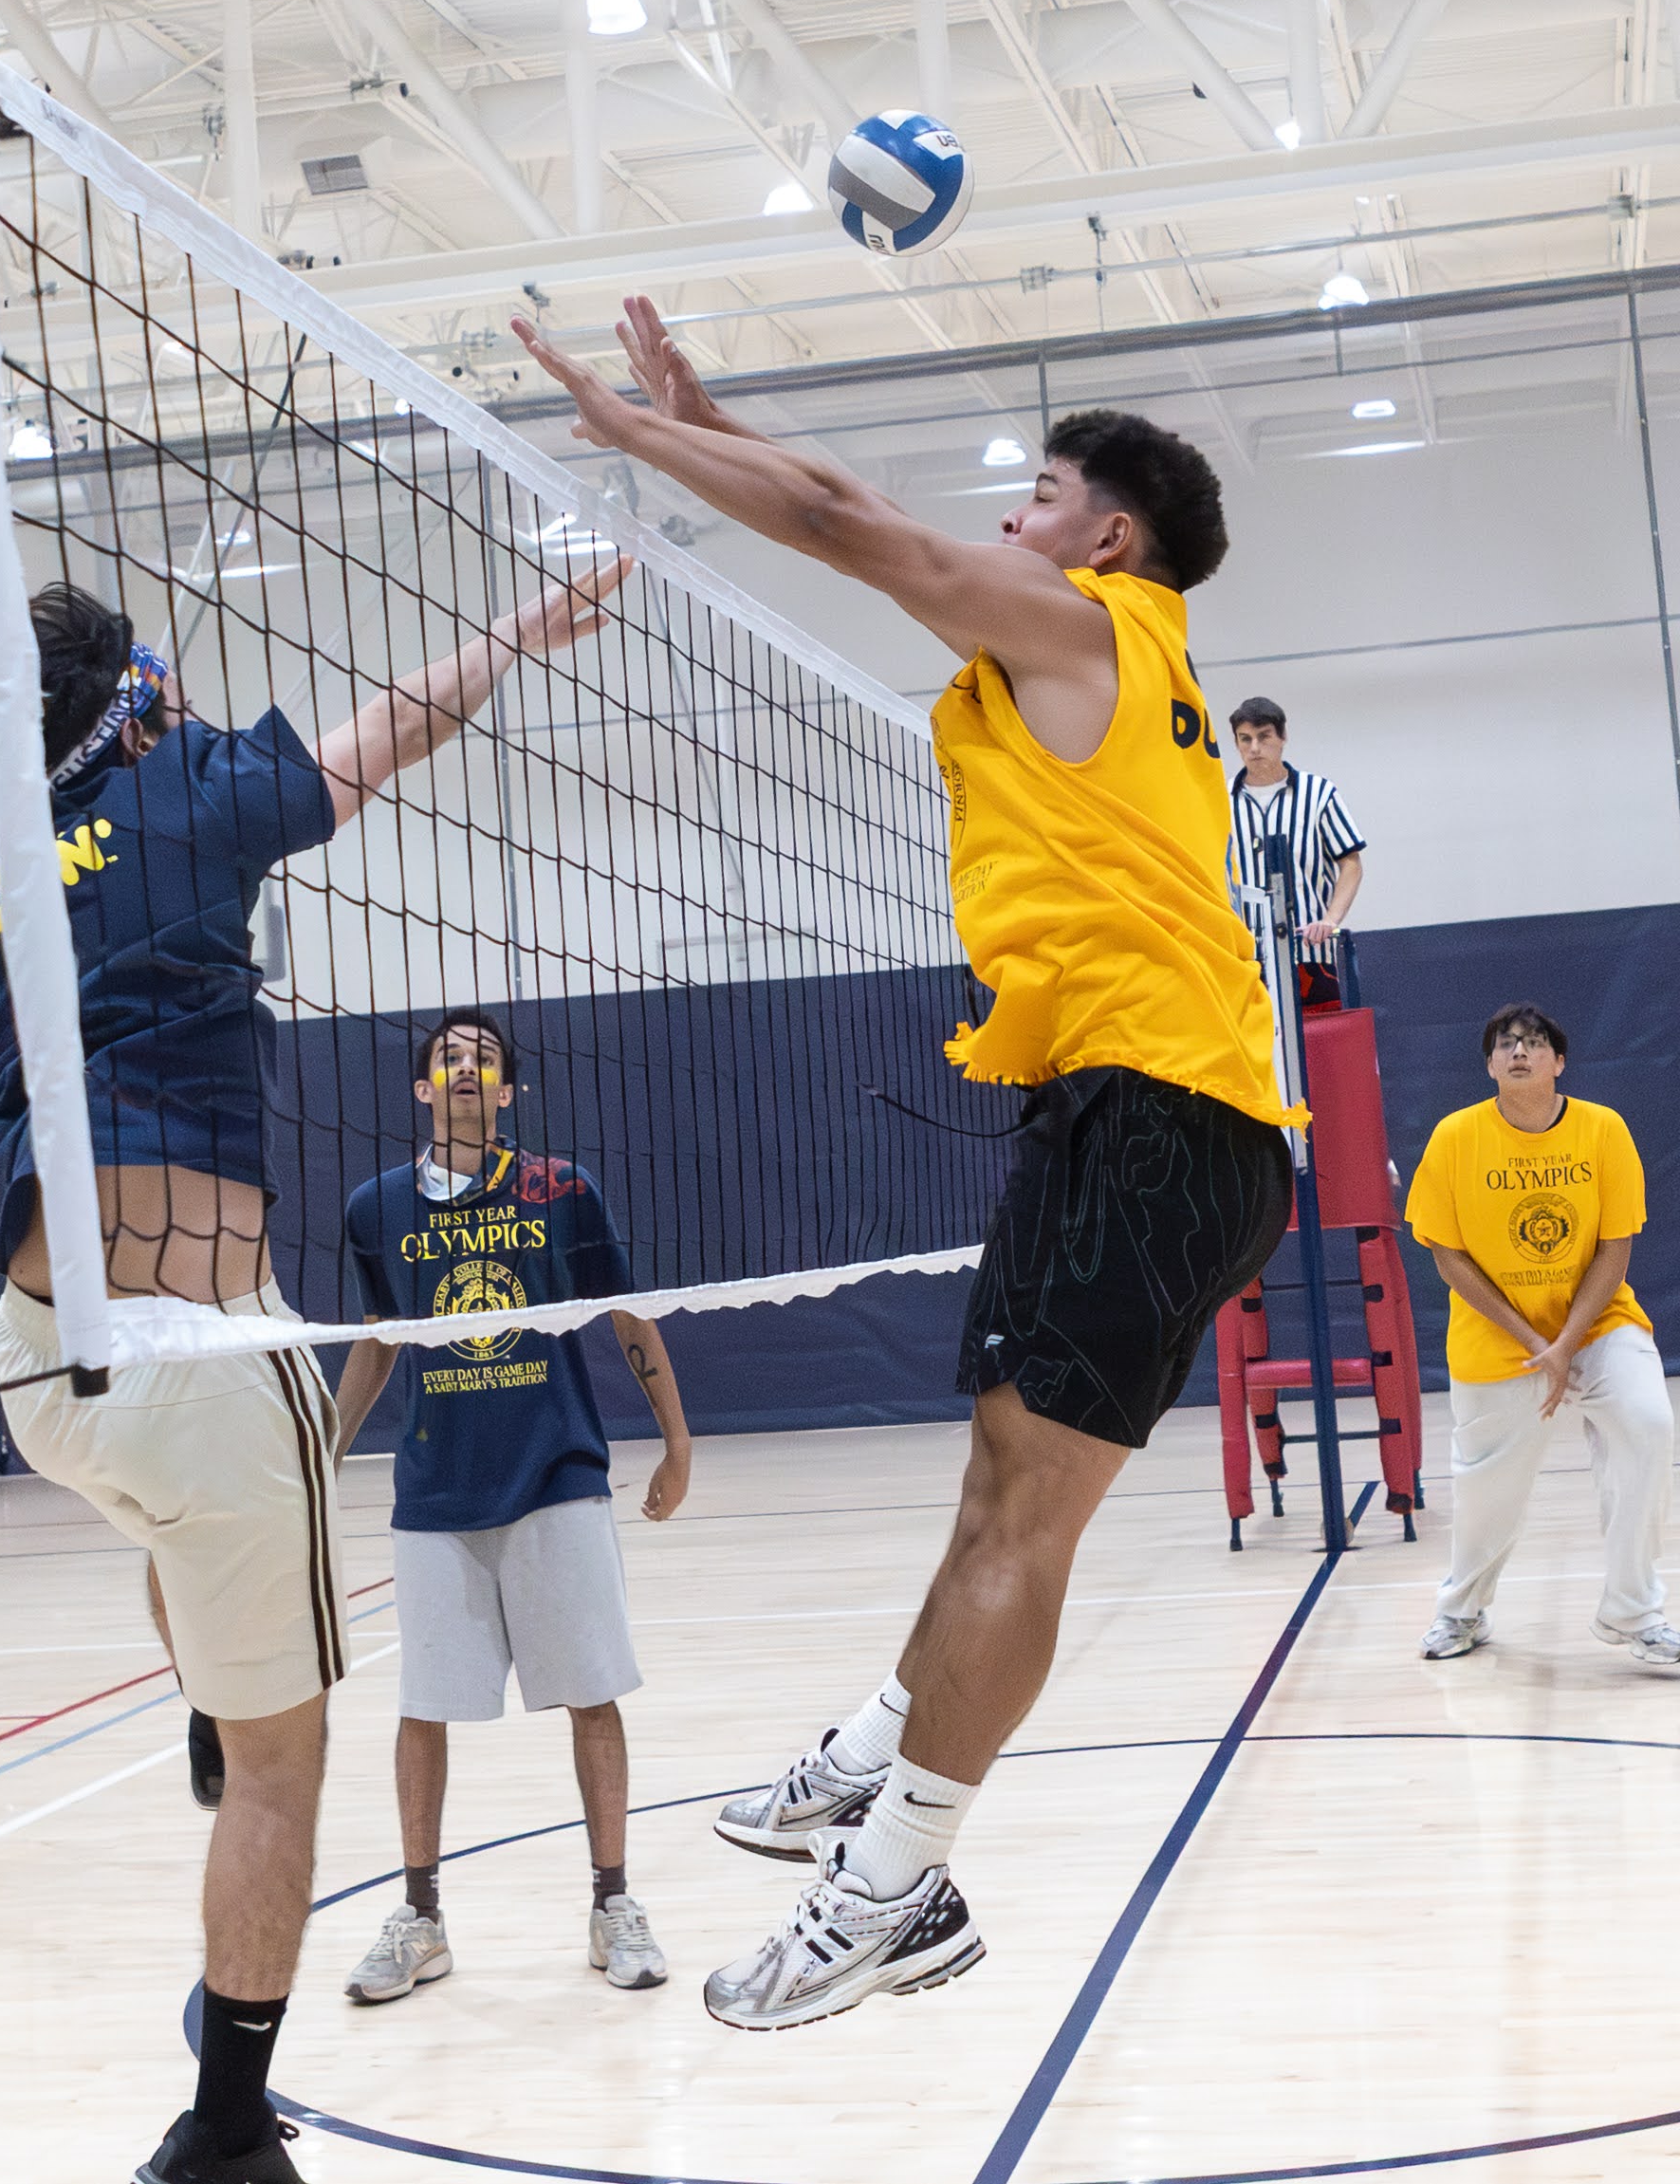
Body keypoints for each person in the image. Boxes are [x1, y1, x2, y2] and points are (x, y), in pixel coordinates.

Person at [509, 297, 1291, 2037]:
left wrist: (634, 439)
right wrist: (716, 425)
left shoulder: (1092, 621)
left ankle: (896, 1881)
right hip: (1111, 1107)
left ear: (1106, 533)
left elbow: (859, 527)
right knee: (991, 1483)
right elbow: (847, 497)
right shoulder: (1077, 653)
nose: (1007, 517)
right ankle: (879, 1762)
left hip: (1178, 1118)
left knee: (1026, 1513)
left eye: (1036, 492)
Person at [0, 568, 618, 2184]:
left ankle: (205, 1700)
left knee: (186, 1551)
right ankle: (225, 2129)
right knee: (283, 1770)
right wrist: (518, 624)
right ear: (142, 692)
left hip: (39, 1359)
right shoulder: (186, 790)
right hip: (199, 1358)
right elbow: (384, 732)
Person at [326, 1009, 692, 2009]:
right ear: (420, 1090)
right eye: (447, 1058)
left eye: (482, 1061)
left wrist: (676, 1436)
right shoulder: (375, 1206)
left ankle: (612, 1900)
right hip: (435, 1486)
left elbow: (622, 1309)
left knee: (591, 1693)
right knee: (421, 1708)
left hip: (556, 1474)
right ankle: (420, 1917)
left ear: (506, 1093)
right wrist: (323, 1448)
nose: (463, 1070)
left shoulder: (556, 1188)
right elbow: (378, 1339)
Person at [1403, 1005, 1680, 1671]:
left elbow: (1614, 1249)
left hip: (1596, 1323)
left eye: (1533, 1043)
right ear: (1489, 1066)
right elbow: (1446, 1254)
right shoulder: (1455, 1136)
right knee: (1485, 1490)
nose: (1518, 1052)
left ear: (1559, 1061)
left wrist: (1565, 1344)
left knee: (1647, 1424)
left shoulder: (1602, 1129)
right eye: (1505, 1045)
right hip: (1499, 1336)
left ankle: (1633, 1610)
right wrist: (1535, 1340)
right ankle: (1461, 1611)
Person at [1225, 698, 1367, 1011]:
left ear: (1282, 737)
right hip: (1245, 961)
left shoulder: (1318, 793)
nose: (1255, 748)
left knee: (1319, 1051)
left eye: (1264, 736)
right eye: (1245, 739)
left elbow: (1351, 863)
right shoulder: (1220, 803)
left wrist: (1330, 920)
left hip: (1310, 954)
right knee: (1259, 1054)